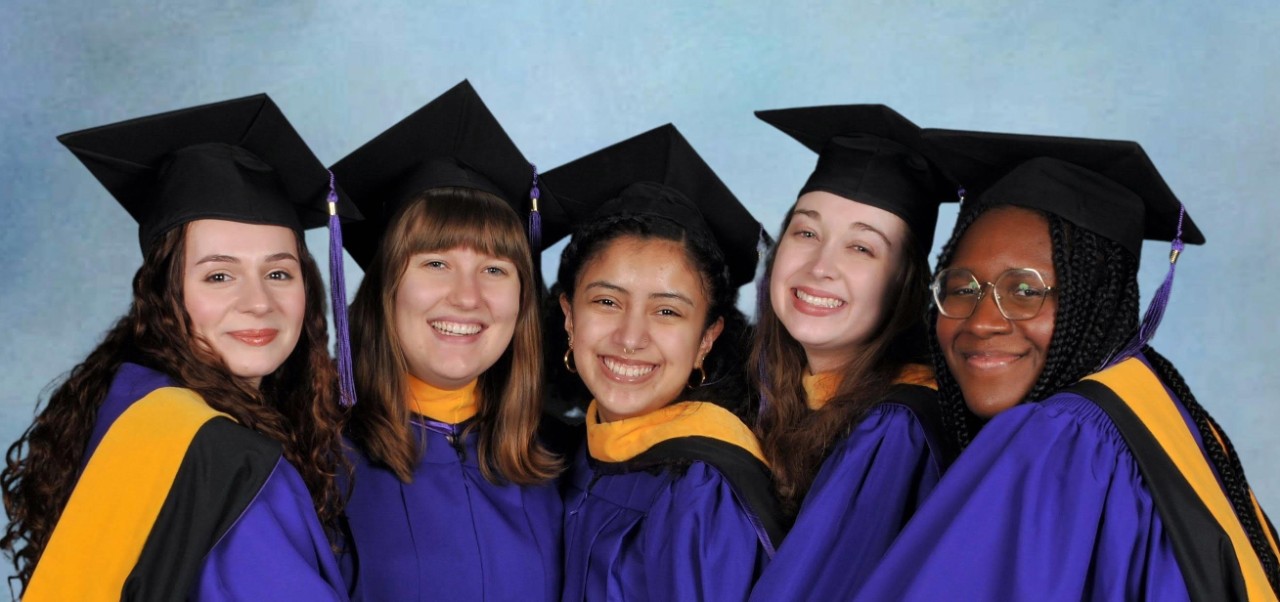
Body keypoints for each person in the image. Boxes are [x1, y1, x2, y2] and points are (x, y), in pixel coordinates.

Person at [853, 129, 1280, 600]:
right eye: (962, 288)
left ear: (1094, 302)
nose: (982, 321)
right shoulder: (1161, 409)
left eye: (1025, 290)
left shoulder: (1058, 438)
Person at [1, 94, 358, 600]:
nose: (259, 302)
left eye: (279, 273)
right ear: (166, 293)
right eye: (219, 275)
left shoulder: (131, 405)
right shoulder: (231, 461)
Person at [332, 80, 562, 601]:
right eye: (436, 263)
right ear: (386, 288)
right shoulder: (314, 460)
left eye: (495, 269)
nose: (467, 297)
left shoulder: (561, 458)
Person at [543, 124, 783, 602]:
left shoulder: (704, 490)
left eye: (667, 311)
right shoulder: (566, 456)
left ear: (707, 338)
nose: (630, 338)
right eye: (607, 302)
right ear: (569, 315)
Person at [747, 104, 959, 601]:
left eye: (862, 248)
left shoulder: (897, 429)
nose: (820, 265)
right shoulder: (766, 393)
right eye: (806, 232)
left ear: (905, 283)